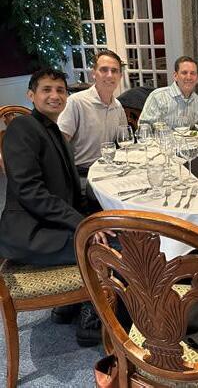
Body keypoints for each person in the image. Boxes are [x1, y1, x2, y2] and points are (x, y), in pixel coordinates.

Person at [0, 68, 107, 346]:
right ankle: (90, 319)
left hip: (49, 225)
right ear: (31, 95)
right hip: (29, 233)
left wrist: (93, 220)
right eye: (46, 89)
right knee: (108, 249)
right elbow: (30, 192)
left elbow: (70, 191)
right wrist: (82, 225)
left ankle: (67, 306)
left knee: (108, 229)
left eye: (60, 90)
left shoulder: (57, 133)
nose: (55, 95)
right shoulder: (22, 128)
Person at [58, 49, 127, 178]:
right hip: (81, 174)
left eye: (114, 71)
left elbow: (123, 141)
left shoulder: (117, 106)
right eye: (104, 70)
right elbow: (59, 144)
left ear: (120, 76)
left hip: (108, 169)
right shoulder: (76, 102)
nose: (110, 75)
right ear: (94, 73)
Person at [138, 55, 198, 129]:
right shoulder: (158, 96)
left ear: (197, 78)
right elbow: (143, 127)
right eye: (184, 73)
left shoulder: (197, 101)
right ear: (175, 76)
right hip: (161, 137)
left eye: (193, 73)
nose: (189, 77)